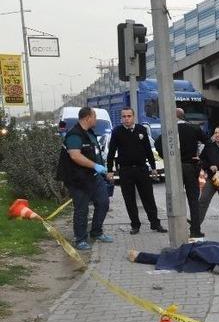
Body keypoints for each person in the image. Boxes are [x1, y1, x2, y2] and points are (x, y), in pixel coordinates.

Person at [57, 107, 112, 251]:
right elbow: (75, 155)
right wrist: (95, 166)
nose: (96, 120)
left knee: (103, 203)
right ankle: (80, 239)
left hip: (94, 177)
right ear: (88, 117)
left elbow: (96, 154)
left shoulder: (90, 133)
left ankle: (96, 232)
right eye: (94, 117)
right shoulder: (74, 135)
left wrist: (103, 170)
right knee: (82, 209)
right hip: (78, 179)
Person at [105, 107, 166, 235]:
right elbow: (111, 152)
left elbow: (148, 150)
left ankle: (155, 223)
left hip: (141, 169)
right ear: (121, 118)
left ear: (133, 117)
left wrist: (153, 167)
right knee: (129, 199)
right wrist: (110, 170)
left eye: (129, 116)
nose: (126, 119)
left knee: (148, 197)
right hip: (125, 171)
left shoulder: (141, 129)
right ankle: (135, 225)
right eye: (124, 116)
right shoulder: (117, 131)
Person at [156, 108, 208, 238]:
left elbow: (157, 144)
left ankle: (177, 229)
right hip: (190, 167)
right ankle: (195, 230)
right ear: (183, 116)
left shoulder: (169, 131)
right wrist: (201, 158)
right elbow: (208, 142)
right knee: (193, 200)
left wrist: (167, 158)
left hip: (174, 167)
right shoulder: (194, 128)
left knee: (175, 198)